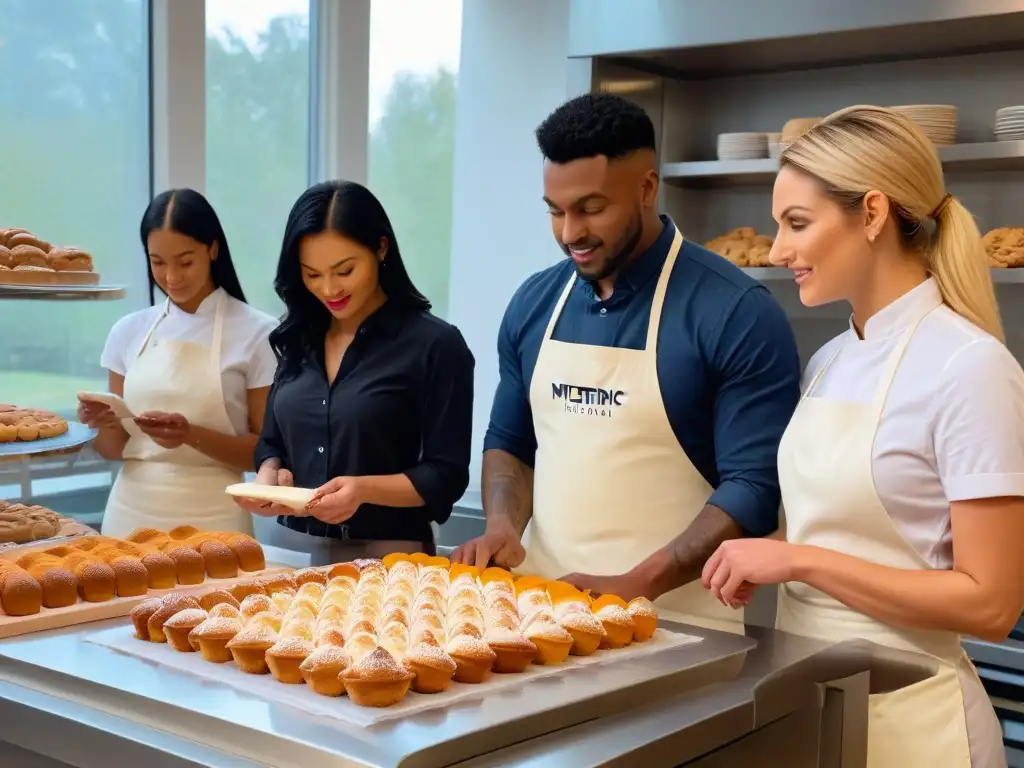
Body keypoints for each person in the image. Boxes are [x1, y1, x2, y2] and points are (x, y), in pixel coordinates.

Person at [701, 105, 1024, 767]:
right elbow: (847, 528)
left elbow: (991, 603)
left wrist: (798, 561)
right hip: (814, 711)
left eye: (797, 223)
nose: (777, 249)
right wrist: (769, 550)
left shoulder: (971, 368)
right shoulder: (830, 361)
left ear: (871, 213)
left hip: (916, 725)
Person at [451, 93, 802, 630]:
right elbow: (511, 443)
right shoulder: (534, 303)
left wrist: (638, 583)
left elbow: (753, 488)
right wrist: (502, 524)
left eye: (591, 209)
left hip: (678, 629)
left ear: (646, 189)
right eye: (555, 211)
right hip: (536, 619)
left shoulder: (735, 312)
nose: (570, 233)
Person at [235, 180, 475, 563]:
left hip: (393, 559)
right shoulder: (296, 338)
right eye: (312, 274)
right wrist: (270, 474)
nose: (329, 289)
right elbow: (272, 442)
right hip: (290, 552)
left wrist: (362, 490)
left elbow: (445, 474)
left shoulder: (435, 345)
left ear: (381, 249)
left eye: (344, 270)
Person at [78, 188, 278, 538]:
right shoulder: (128, 332)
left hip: (216, 520)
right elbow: (114, 449)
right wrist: (102, 424)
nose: (171, 277)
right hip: (129, 515)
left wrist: (190, 435)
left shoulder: (257, 333)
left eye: (185, 261)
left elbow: (263, 452)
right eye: (157, 262)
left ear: (213, 249)